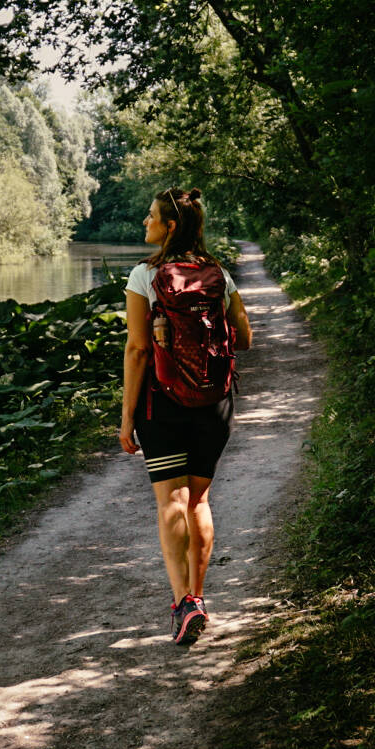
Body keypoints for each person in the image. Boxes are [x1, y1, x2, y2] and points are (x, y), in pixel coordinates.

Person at [119, 187, 252, 645]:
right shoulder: (220, 275)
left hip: (163, 405)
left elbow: (137, 349)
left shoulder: (144, 276)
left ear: (170, 226)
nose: (144, 222)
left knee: (169, 503)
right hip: (215, 404)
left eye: (151, 216)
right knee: (199, 502)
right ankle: (199, 595)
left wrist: (125, 418)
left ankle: (183, 605)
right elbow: (246, 338)